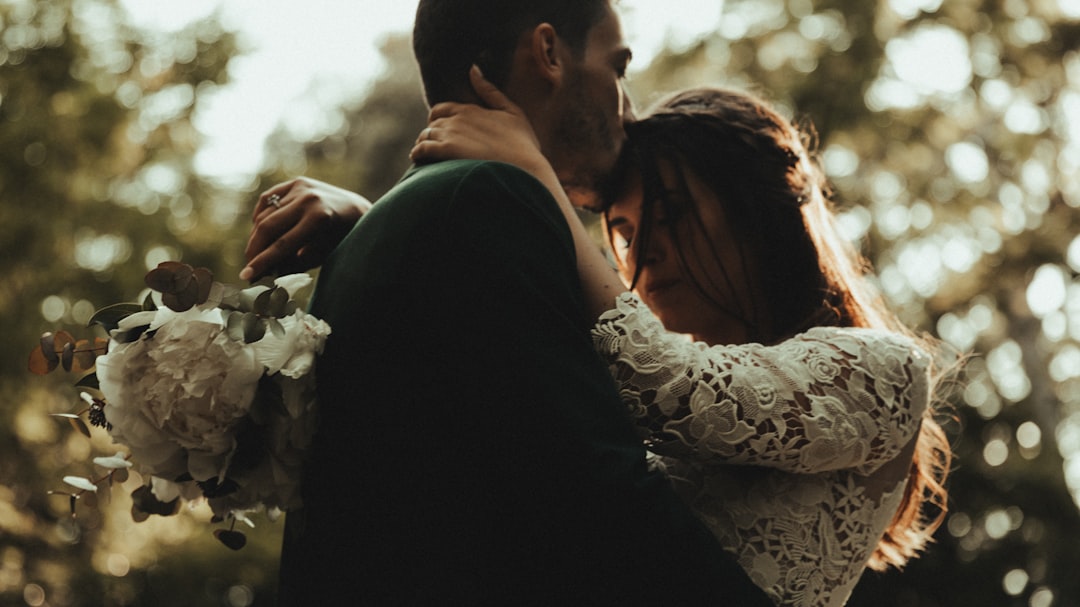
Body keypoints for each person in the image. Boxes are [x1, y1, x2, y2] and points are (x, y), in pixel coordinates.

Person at [249, 75, 953, 605]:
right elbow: (513, 344)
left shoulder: (883, 371)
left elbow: (684, 391)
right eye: (620, 230)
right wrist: (372, 225)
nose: (647, 253)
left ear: (761, 216)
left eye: (672, 213)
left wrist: (536, 180)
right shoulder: (615, 381)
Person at [271, 1, 772, 605]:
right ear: (549, 53)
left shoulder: (401, 218)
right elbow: (596, 504)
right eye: (618, 69)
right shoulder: (491, 199)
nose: (629, 108)